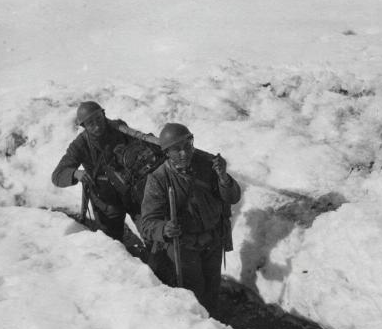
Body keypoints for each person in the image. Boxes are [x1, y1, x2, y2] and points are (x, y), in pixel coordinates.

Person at [140, 123, 241, 317]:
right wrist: (164, 228)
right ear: (167, 152)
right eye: (176, 149)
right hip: (184, 246)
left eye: (187, 146)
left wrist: (223, 178)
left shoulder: (207, 166)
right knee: (194, 292)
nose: (184, 153)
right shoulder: (159, 179)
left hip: (212, 240)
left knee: (212, 288)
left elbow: (233, 197)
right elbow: (147, 223)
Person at [51, 101, 132, 241]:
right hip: (107, 200)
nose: (97, 125)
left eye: (99, 119)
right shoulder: (80, 145)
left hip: (131, 190)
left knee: (150, 229)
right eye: (90, 123)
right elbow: (57, 175)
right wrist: (75, 173)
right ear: (84, 126)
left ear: (104, 115)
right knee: (112, 242)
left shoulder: (119, 128)